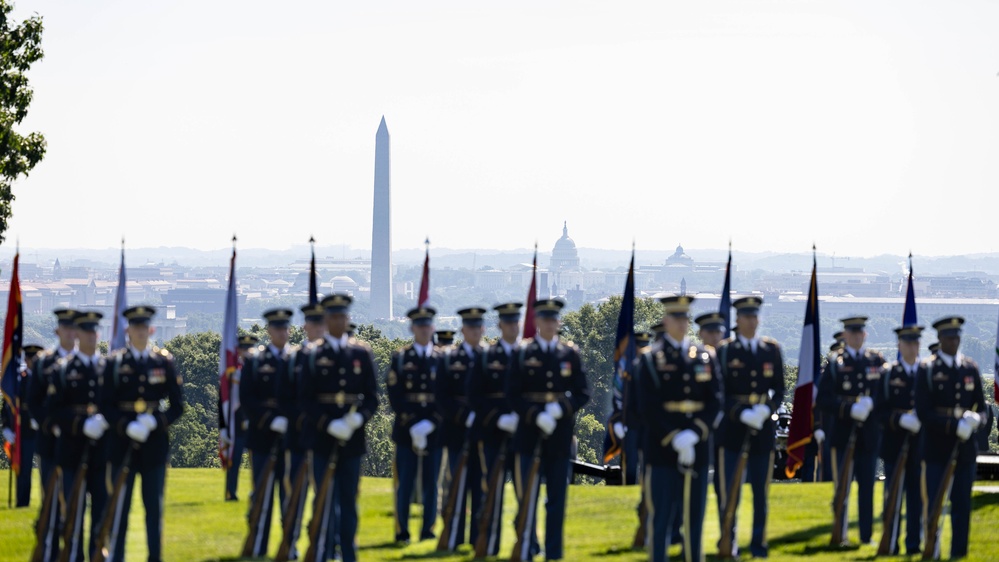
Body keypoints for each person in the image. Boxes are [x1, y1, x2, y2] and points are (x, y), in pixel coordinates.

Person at [635, 295, 721, 562]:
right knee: (661, 516)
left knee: (695, 517)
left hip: (697, 446)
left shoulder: (705, 356)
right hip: (662, 447)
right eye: (677, 318)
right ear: (666, 320)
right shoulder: (651, 360)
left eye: (685, 318)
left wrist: (694, 433)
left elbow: (715, 400)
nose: (682, 323)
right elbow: (647, 406)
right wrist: (675, 437)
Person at [508, 298, 589, 561]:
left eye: (554, 319)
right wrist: (534, 415)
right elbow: (512, 395)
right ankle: (529, 547)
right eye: (545, 319)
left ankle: (554, 553)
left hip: (559, 436)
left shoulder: (569, 354)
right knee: (527, 498)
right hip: (529, 434)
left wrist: (562, 408)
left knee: (557, 499)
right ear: (537, 322)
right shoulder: (523, 353)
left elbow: (583, 392)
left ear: (558, 322)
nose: (550, 324)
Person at [101, 305, 185, 562]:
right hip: (121, 443)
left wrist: (156, 421)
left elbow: (177, 406)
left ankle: (154, 558)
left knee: (153, 509)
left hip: (154, 446)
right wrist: (125, 425)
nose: (139, 332)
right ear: (128, 331)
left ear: (151, 330)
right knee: (119, 510)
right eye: (135, 327)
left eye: (143, 327)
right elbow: (105, 406)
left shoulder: (163, 362)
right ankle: (116, 557)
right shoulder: (115, 363)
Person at [300, 293, 379, 562]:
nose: (339, 320)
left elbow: (372, 397)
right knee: (323, 500)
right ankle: (323, 551)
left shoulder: (361, 353)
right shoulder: (313, 354)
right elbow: (305, 399)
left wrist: (358, 419)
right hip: (323, 438)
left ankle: (349, 554)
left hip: (352, 439)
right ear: (326, 319)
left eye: (343, 315)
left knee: (349, 502)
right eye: (333, 316)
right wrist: (327, 423)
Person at [716, 296, 785, 558]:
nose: (752, 321)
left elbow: (779, 389)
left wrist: (767, 409)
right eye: (747, 317)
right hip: (733, 428)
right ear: (738, 320)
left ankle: (759, 544)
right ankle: (728, 541)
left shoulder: (770, 350)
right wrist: (741, 412)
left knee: (760, 493)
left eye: (755, 316)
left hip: (762, 427)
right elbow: (719, 392)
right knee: (729, 490)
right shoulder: (725, 351)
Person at [915, 316, 986, 560]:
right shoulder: (927, 370)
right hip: (936, 449)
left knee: (962, 507)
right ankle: (931, 551)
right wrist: (954, 425)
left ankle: (959, 553)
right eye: (949, 337)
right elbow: (923, 412)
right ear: (940, 339)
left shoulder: (970, 368)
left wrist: (977, 420)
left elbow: (982, 407)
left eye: (957, 336)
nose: (954, 341)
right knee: (934, 505)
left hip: (965, 450)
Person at [45, 311, 110, 562]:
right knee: (73, 511)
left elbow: (114, 405)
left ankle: (97, 555)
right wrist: (81, 424)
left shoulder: (108, 367)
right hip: (71, 449)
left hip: (101, 452)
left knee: (101, 511)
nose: (92, 336)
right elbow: (53, 411)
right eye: (86, 332)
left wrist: (105, 419)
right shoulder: (63, 370)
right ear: (78, 335)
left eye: (95, 332)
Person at [817, 316, 887, 546]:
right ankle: (841, 534)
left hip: (868, 436)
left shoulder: (876, 361)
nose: (856, 337)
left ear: (864, 335)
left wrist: (871, 405)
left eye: (860, 333)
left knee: (866, 488)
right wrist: (848, 409)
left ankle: (866, 536)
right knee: (842, 489)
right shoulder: (835, 363)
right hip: (842, 434)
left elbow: (885, 396)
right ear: (845, 336)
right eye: (852, 333)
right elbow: (824, 401)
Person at [240, 308, 301, 558]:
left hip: (290, 439)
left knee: (290, 498)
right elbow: (246, 399)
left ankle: (290, 546)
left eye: (285, 328)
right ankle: (258, 546)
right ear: (269, 331)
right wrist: (269, 420)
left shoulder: (298, 360)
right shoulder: (255, 361)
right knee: (262, 495)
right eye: (277, 328)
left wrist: (290, 421)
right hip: (263, 438)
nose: (282, 332)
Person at [386, 306, 444, 544]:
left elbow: (447, 397)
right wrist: (413, 425)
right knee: (405, 484)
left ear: (432, 328)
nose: (423, 329)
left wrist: (430, 423)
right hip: (406, 430)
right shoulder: (401, 358)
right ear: (412, 328)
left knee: (432, 484)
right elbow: (395, 396)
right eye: (419, 325)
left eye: (427, 325)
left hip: (435, 430)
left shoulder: (443, 359)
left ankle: (428, 530)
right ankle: (402, 531)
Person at [468, 302, 522, 556]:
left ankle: (527, 544)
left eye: (516, 321)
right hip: (493, 433)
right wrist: (498, 418)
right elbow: (475, 396)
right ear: (500, 325)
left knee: (525, 493)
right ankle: (488, 543)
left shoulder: (526, 355)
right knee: (491, 493)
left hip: (523, 435)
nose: (512, 325)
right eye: (508, 321)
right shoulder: (486, 357)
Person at [28, 308, 78, 562]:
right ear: (57, 330)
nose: (70, 332)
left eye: (74, 328)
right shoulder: (44, 363)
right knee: (50, 503)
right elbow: (33, 403)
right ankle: (47, 552)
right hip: (51, 445)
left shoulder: (88, 363)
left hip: (79, 446)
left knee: (76, 505)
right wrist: (50, 425)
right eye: (65, 328)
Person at [436, 306, 487, 549]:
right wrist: (464, 416)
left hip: (483, 433)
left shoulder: (489, 358)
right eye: (470, 327)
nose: (475, 331)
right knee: (455, 487)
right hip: (457, 432)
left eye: (478, 327)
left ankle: (477, 537)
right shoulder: (450, 359)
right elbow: (442, 397)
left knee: (480, 489)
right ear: (463, 330)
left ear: (483, 329)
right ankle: (453, 537)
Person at [876, 324, 924, 556]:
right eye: (907, 343)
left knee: (917, 501)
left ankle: (913, 545)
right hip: (895, 445)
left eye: (915, 343)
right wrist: (899, 420)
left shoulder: (927, 373)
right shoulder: (888, 374)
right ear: (899, 345)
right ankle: (891, 543)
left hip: (920, 447)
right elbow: (879, 411)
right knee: (893, 497)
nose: (912, 347)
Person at [0, 342, 43, 507]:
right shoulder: (20, 381)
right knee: (23, 471)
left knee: (47, 470)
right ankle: (22, 503)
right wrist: (6, 428)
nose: (33, 361)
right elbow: (8, 407)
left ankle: (47, 503)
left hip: (43, 431)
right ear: (26, 359)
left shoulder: (45, 378)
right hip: (24, 433)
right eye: (30, 358)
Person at [224, 334, 258, 503]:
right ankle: (231, 491)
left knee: (257, 461)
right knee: (234, 459)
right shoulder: (232, 372)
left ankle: (257, 491)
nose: (246, 352)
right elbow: (223, 399)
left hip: (255, 421)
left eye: (249, 348)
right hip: (236, 422)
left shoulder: (258, 369)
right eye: (243, 349)